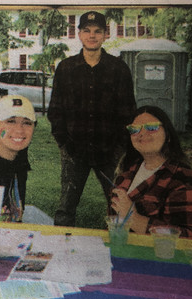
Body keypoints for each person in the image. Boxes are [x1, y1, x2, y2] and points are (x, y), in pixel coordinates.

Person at [48, 11, 136, 227]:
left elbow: (128, 112)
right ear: (79, 34)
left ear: (105, 35)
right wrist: (63, 142)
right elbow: (55, 110)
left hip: (109, 152)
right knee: (65, 207)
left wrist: (119, 147)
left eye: (98, 31)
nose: (92, 35)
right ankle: (61, 250)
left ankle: (120, 250)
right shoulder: (66, 68)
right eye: (86, 31)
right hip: (73, 150)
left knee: (119, 205)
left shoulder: (119, 69)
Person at [110, 105, 192, 239]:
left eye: (151, 127)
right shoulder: (126, 173)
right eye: (134, 129)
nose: (142, 133)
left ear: (168, 135)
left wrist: (134, 219)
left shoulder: (186, 181)